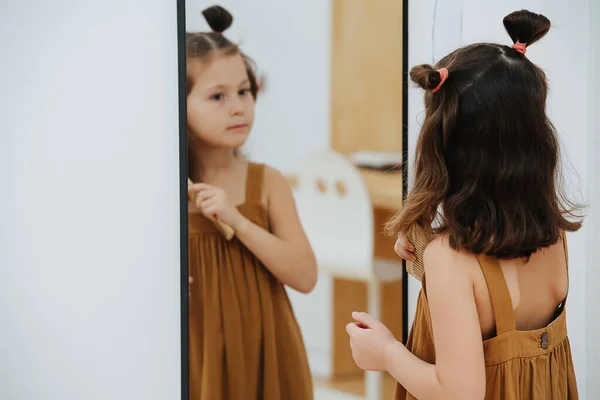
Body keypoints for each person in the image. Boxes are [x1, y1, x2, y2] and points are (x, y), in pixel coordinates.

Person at [346, 10, 582, 399]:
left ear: (442, 145)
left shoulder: (451, 261)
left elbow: (459, 392)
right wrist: (425, 253)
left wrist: (386, 353)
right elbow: (497, 311)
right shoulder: (552, 236)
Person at [186, 6, 316, 399]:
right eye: (217, 96)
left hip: (267, 349)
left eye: (244, 91)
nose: (238, 107)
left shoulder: (267, 183)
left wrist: (236, 220)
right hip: (197, 354)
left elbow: (305, 276)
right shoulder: (159, 197)